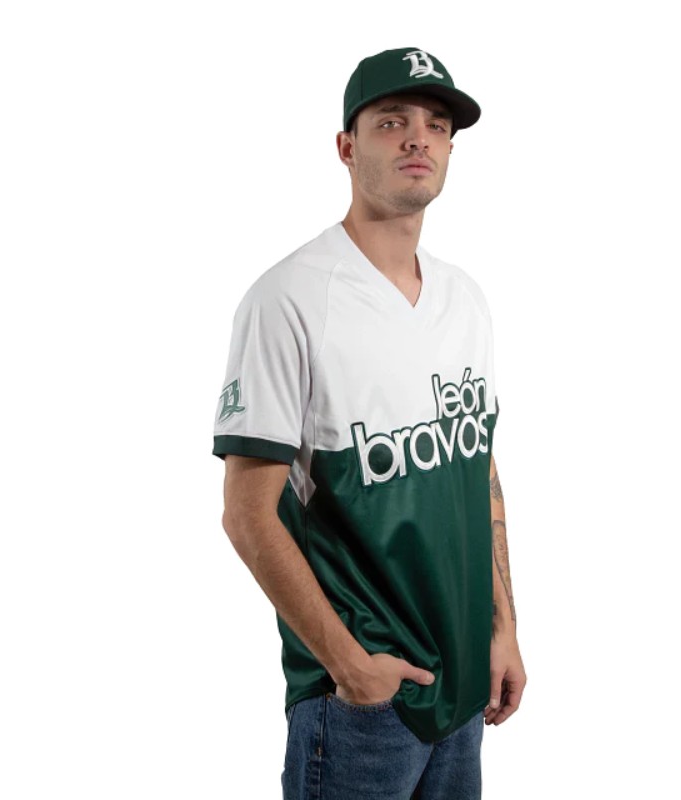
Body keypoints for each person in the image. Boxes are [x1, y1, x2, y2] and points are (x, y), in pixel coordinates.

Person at [212, 47, 526, 800]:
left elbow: (477, 469)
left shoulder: (466, 299)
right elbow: (247, 514)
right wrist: (349, 666)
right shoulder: (289, 298)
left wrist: (503, 627)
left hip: (463, 689)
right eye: (392, 122)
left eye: (437, 124)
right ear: (347, 147)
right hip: (360, 703)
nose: (419, 137)